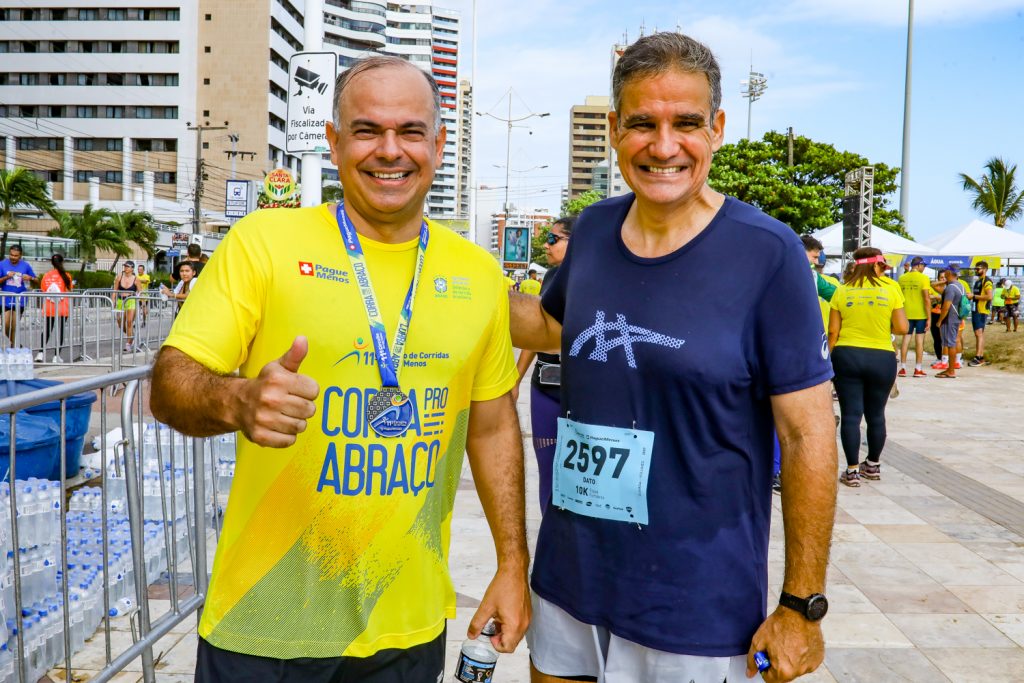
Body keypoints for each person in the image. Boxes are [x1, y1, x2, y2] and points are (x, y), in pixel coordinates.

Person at [150, 55, 529, 682]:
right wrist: (237, 400)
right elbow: (170, 382)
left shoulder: (478, 275)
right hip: (265, 623)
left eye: (410, 131)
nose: (390, 150)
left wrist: (512, 565)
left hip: (407, 627)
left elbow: (491, 427)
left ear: (438, 144)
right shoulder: (262, 244)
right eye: (366, 130)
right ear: (332, 142)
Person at [510, 33, 836, 683]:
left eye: (686, 123)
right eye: (642, 123)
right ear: (613, 130)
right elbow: (551, 326)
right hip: (570, 580)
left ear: (716, 127)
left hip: (694, 606)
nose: (663, 145)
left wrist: (802, 604)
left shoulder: (767, 255)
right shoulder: (596, 230)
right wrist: (443, 272)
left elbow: (807, 434)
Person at [828, 247, 908, 487]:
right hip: (881, 357)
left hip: (847, 355)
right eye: (882, 265)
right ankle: (872, 465)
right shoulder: (891, 289)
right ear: (876, 265)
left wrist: (826, 361)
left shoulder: (842, 291)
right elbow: (903, 328)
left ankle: (852, 471)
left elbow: (833, 331)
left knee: (851, 415)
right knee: (876, 415)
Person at [512, 217, 574, 512]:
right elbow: (534, 334)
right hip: (545, 389)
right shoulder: (550, 277)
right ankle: (549, 540)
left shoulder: (598, 278)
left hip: (581, 393)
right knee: (547, 469)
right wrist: (515, 380)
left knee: (577, 476)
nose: (546, 245)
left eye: (553, 239)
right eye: (547, 238)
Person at [897, 256, 932, 377]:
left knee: (905, 340)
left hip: (906, 313)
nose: (924, 268)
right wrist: (929, 317)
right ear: (918, 265)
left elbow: (899, 297)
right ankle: (918, 369)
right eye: (923, 266)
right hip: (920, 314)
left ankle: (902, 368)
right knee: (919, 341)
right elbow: (926, 299)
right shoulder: (924, 278)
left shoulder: (902, 278)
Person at [37, 253, 72, 363]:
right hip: (62, 307)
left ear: (52, 263)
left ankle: (40, 353)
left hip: (49, 307)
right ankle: (56, 356)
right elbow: (69, 289)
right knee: (60, 330)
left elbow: (43, 289)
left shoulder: (46, 275)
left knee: (47, 330)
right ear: (62, 262)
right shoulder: (67, 276)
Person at [0, 244, 37, 347]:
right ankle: (16, 344)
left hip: (20, 300)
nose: (13, 257)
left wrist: (30, 278)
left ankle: (14, 347)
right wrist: (7, 277)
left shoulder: (25, 265)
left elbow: (36, 280)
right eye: (11, 255)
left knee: (14, 325)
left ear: (20, 255)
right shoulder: (2, 264)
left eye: (16, 256)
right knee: (6, 324)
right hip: (5, 299)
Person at [935, 268, 967, 378]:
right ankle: (950, 369)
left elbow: (946, 306)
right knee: (951, 343)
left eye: (946, 274)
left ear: (949, 273)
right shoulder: (960, 286)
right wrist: (945, 281)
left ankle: (951, 370)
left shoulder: (950, 288)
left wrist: (939, 321)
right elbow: (933, 285)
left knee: (950, 344)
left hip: (949, 319)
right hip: (957, 317)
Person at [968, 261, 993, 366]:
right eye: (976, 269)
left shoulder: (987, 281)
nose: (976, 271)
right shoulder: (979, 281)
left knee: (979, 333)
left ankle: (978, 357)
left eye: (978, 269)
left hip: (981, 310)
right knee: (978, 333)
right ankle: (980, 356)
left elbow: (989, 296)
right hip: (976, 309)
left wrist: (973, 296)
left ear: (985, 269)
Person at [112, 261, 139, 352]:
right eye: (125, 266)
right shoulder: (119, 277)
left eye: (127, 266)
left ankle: (128, 343)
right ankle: (131, 336)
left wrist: (141, 303)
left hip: (131, 300)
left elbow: (141, 292)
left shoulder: (136, 279)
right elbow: (115, 290)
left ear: (132, 268)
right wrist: (113, 301)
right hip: (120, 300)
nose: (125, 268)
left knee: (129, 322)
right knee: (120, 323)